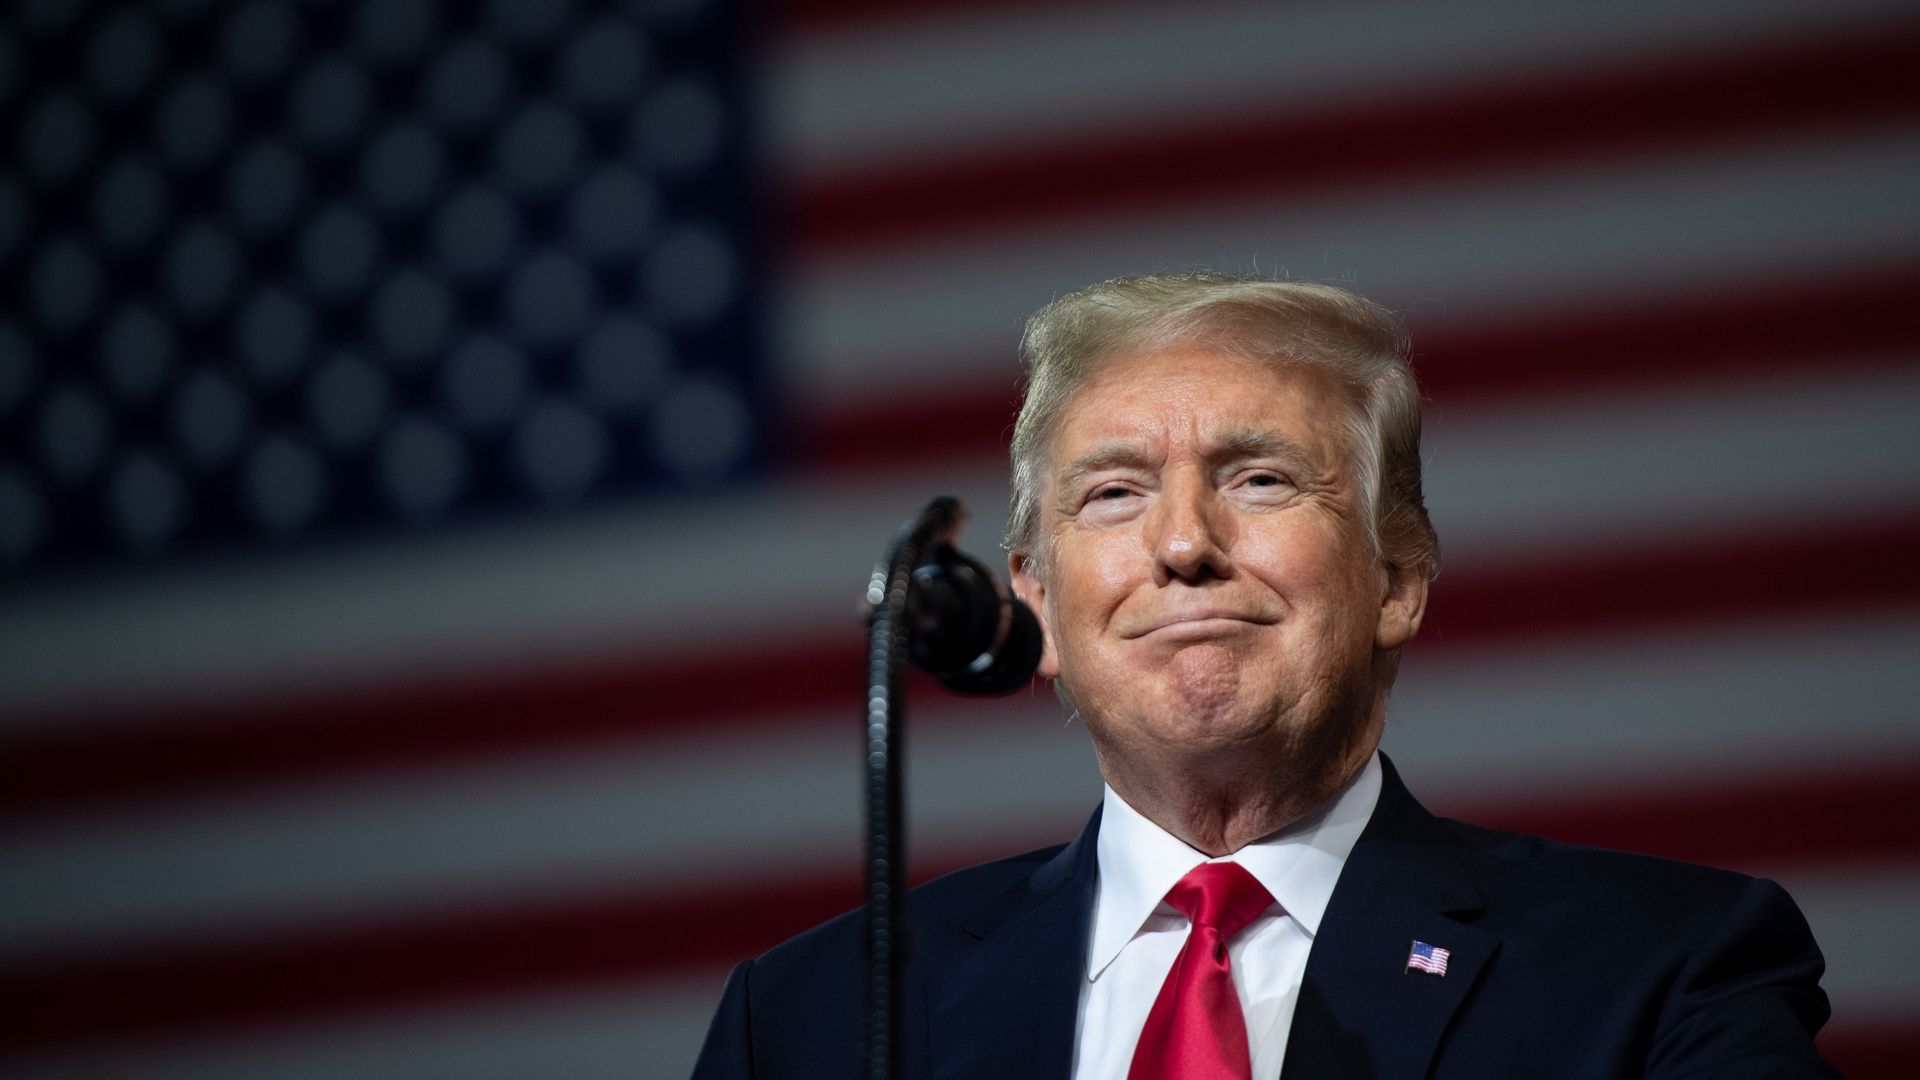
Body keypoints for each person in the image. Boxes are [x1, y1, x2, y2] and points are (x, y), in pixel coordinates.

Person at [691, 274, 1837, 1078]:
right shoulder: (809, 1023)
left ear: (1397, 580)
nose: (1184, 543)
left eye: (1261, 480)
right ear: (1036, 604)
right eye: (1114, 493)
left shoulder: (1661, 973)